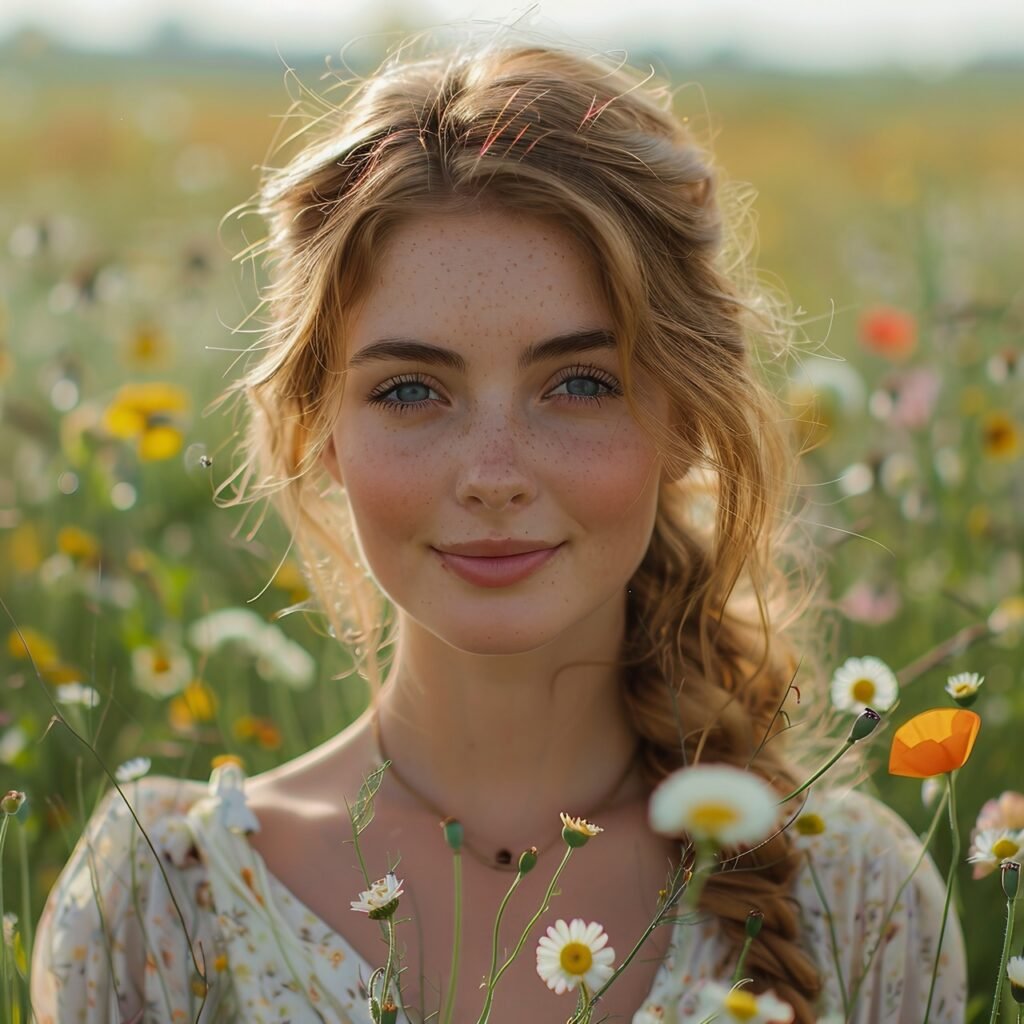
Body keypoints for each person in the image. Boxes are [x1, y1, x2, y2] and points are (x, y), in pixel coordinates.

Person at [30, 27, 966, 1024]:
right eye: (408, 390)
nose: (491, 476)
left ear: (685, 420)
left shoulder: (855, 903)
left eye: (577, 382)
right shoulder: (163, 907)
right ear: (319, 431)